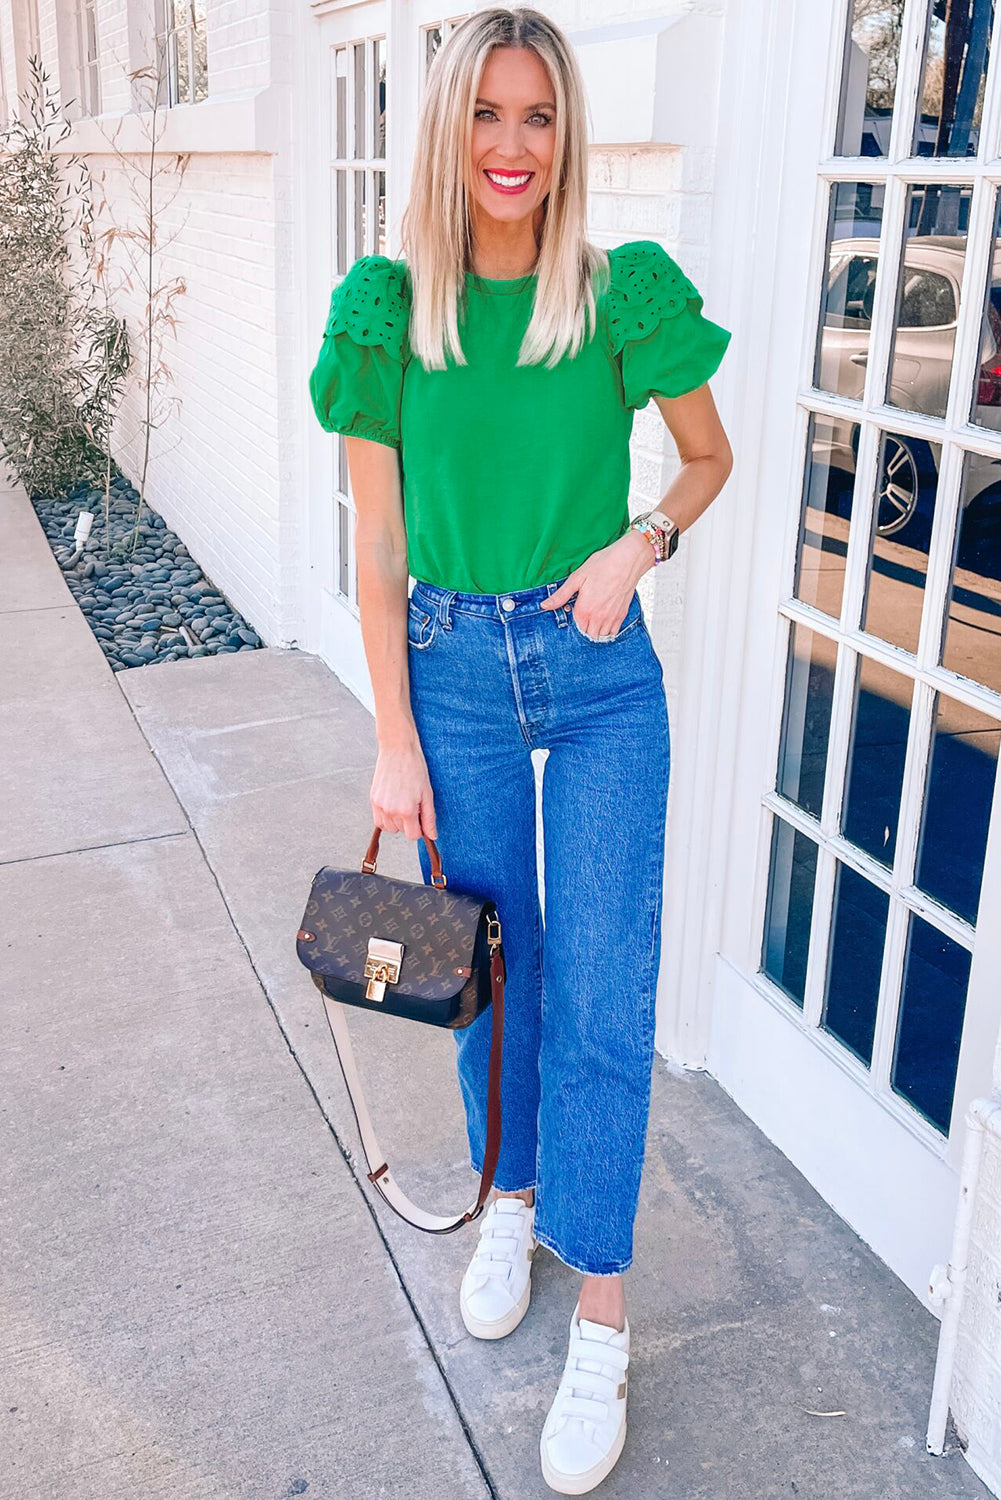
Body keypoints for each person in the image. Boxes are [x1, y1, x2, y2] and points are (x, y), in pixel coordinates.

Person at [308, 7, 733, 1492]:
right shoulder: (387, 308)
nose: (510, 147)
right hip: (452, 674)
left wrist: (641, 543)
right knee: (489, 973)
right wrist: (392, 741)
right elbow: (373, 548)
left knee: (604, 993)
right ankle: (511, 1195)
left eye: (538, 117)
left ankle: (601, 1316)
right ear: (447, 129)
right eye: (486, 115)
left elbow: (707, 453)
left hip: (600, 669)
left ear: (566, 136)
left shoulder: (617, 296)